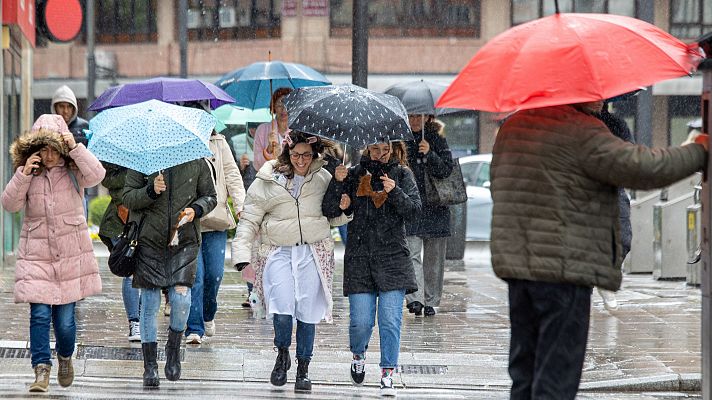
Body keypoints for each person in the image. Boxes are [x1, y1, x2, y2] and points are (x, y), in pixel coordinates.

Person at [490, 101, 708, 399]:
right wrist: (698, 150)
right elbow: (641, 168)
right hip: (564, 269)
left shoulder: (514, 127)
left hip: (520, 268)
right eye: (595, 93)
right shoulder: (580, 130)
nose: (602, 99)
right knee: (556, 377)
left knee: (525, 373)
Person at [233, 131, 350, 392]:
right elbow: (250, 219)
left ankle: (304, 367)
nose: (301, 160)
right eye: (296, 155)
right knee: (282, 306)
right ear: (287, 152)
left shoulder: (324, 177)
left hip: (312, 251)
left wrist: (345, 206)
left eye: (306, 155)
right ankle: (282, 351)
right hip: (278, 251)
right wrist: (241, 254)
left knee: (308, 312)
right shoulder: (268, 178)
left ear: (314, 154)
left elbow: (334, 217)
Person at [1, 114, 105, 393]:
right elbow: (9, 204)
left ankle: (65, 356)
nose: (47, 155)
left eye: (52, 148)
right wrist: (23, 174)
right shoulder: (28, 172)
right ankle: (41, 370)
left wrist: (75, 148)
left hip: (70, 258)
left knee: (66, 323)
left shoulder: (74, 170)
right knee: (39, 315)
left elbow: (97, 175)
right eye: (42, 148)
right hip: (37, 256)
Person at [330, 138, 421, 397]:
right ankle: (358, 354)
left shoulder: (402, 174)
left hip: (393, 259)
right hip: (360, 258)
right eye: (375, 149)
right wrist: (338, 184)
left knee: (390, 321)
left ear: (393, 150)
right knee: (360, 322)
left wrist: (394, 192)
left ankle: (387, 374)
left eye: (385, 150)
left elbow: (415, 212)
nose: (380, 154)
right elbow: (330, 209)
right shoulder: (355, 174)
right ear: (367, 149)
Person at [122, 160, 216, 388]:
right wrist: (150, 190)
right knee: (151, 302)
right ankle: (150, 365)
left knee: (181, 300)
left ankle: (173, 347)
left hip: (183, 242)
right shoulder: (142, 160)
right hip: (148, 242)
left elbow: (211, 197)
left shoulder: (198, 162)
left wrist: (197, 209)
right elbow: (127, 198)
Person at [185, 131, 246, 344]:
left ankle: (208, 313)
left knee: (214, 275)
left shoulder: (218, 142)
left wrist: (240, 206)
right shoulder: (180, 140)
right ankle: (194, 328)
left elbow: (231, 174)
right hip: (188, 220)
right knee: (196, 277)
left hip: (215, 218)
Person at [403, 115, 454, 317]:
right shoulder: (402, 140)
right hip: (412, 206)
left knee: (434, 259)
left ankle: (431, 301)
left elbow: (446, 170)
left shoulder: (437, 139)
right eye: (412, 116)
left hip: (436, 207)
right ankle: (416, 299)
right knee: (411, 253)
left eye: (419, 116)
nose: (415, 120)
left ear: (428, 118)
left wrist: (430, 153)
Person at [595, 102, 635, 311]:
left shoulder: (615, 123)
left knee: (623, 238)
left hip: (613, 187)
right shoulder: (572, 124)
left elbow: (630, 154)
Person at [98, 162, 142, 341]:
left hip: (152, 220)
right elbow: (107, 177)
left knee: (147, 273)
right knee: (131, 271)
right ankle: (135, 322)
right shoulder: (119, 150)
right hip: (122, 222)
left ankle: (143, 319)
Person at [52, 85, 94, 215]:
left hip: (78, 185)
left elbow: (92, 159)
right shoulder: (48, 126)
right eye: (61, 106)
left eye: (69, 106)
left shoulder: (84, 127)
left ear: (74, 108)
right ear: (55, 107)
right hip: (55, 186)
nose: (65, 111)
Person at [253, 88, 292, 171]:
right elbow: (256, 165)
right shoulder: (262, 130)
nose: (283, 109)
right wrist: (269, 149)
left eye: (287, 104)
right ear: (273, 107)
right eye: (279, 105)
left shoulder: (297, 130)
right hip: (269, 180)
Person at [322, 141, 349, 245]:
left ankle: (347, 243)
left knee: (340, 222)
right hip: (338, 189)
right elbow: (344, 158)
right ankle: (347, 244)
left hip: (335, 187)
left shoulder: (328, 156)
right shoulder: (336, 149)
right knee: (342, 222)